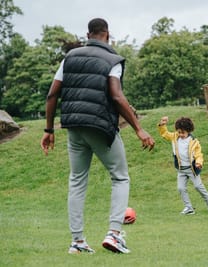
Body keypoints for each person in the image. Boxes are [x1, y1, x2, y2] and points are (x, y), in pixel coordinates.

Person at [40, 18, 155, 254]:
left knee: (77, 181)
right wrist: (138, 129)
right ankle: (114, 234)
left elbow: (52, 95)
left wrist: (49, 130)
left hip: (73, 126)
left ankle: (78, 242)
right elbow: (116, 96)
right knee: (120, 177)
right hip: (100, 127)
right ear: (107, 35)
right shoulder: (113, 60)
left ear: (88, 34)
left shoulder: (69, 58)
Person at [157, 116, 208, 215]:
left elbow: (199, 154)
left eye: (183, 132)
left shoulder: (194, 142)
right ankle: (189, 207)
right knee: (181, 188)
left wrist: (199, 163)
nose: (180, 134)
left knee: (198, 186)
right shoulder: (175, 137)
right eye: (179, 132)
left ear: (188, 131)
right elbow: (165, 134)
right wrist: (162, 124)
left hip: (192, 169)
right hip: (181, 170)